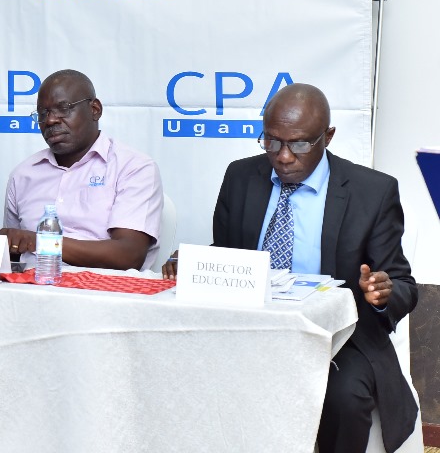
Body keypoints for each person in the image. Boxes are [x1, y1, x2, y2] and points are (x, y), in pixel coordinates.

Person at [163, 83, 417, 453]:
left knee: (344, 398)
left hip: (338, 336)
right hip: (248, 327)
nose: (283, 156)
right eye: (271, 141)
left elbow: (402, 283)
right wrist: (193, 261)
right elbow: (228, 251)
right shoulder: (240, 177)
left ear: (327, 137)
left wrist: (382, 292)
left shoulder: (371, 191)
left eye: (299, 144)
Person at [0, 70, 162, 270]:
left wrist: (40, 242)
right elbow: (13, 257)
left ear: (95, 109)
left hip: (105, 293)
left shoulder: (133, 167)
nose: (50, 121)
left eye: (63, 108)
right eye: (43, 114)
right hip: (31, 290)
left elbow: (128, 255)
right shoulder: (23, 174)